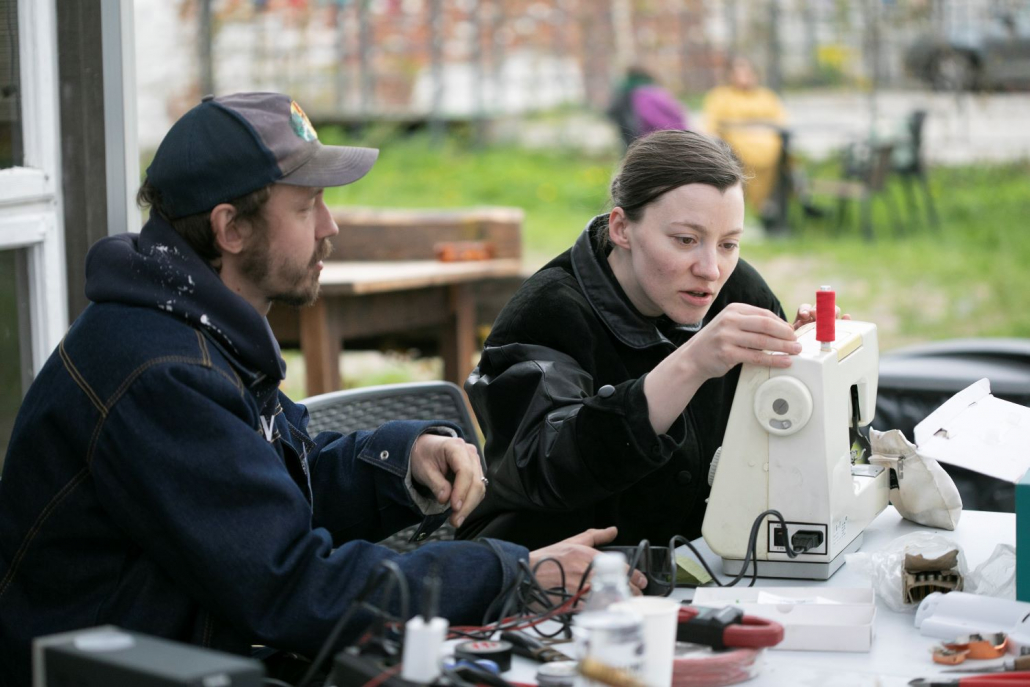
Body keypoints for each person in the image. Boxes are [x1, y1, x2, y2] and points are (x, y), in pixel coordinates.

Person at [0, 93, 642, 687]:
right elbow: (291, 587)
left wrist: (401, 461)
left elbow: (271, 488)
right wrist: (516, 574)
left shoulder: (196, 325)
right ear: (231, 229)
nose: (330, 227)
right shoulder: (163, 372)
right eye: (307, 207)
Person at [457, 129, 834, 550]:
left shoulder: (737, 289)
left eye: (729, 243)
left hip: (697, 560)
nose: (711, 269)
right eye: (686, 240)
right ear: (621, 228)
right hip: (541, 567)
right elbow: (545, 467)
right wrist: (689, 365)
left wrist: (800, 371)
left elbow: (778, 446)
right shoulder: (546, 313)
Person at [702, 56, 788, 223]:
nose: (744, 78)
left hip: (768, 143)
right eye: (739, 73)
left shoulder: (766, 96)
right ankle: (750, 206)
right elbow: (711, 125)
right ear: (730, 75)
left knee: (777, 155)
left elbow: (781, 122)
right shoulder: (720, 96)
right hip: (735, 144)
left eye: (747, 73)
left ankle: (764, 205)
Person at [607, 66, 690, 149]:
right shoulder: (655, 92)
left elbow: (651, 117)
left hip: (652, 140)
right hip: (665, 138)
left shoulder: (635, 93)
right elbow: (677, 112)